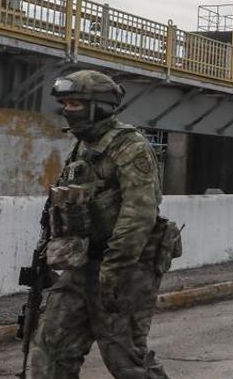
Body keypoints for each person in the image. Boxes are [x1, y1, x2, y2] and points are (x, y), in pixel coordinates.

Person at [31, 70, 179, 378]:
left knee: (126, 362)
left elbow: (140, 212)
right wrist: (48, 255)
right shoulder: (81, 146)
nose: (67, 110)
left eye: (75, 103)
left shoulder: (129, 146)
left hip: (124, 269)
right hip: (82, 265)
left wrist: (114, 268)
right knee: (50, 350)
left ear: (98, 106)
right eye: (65, 103)